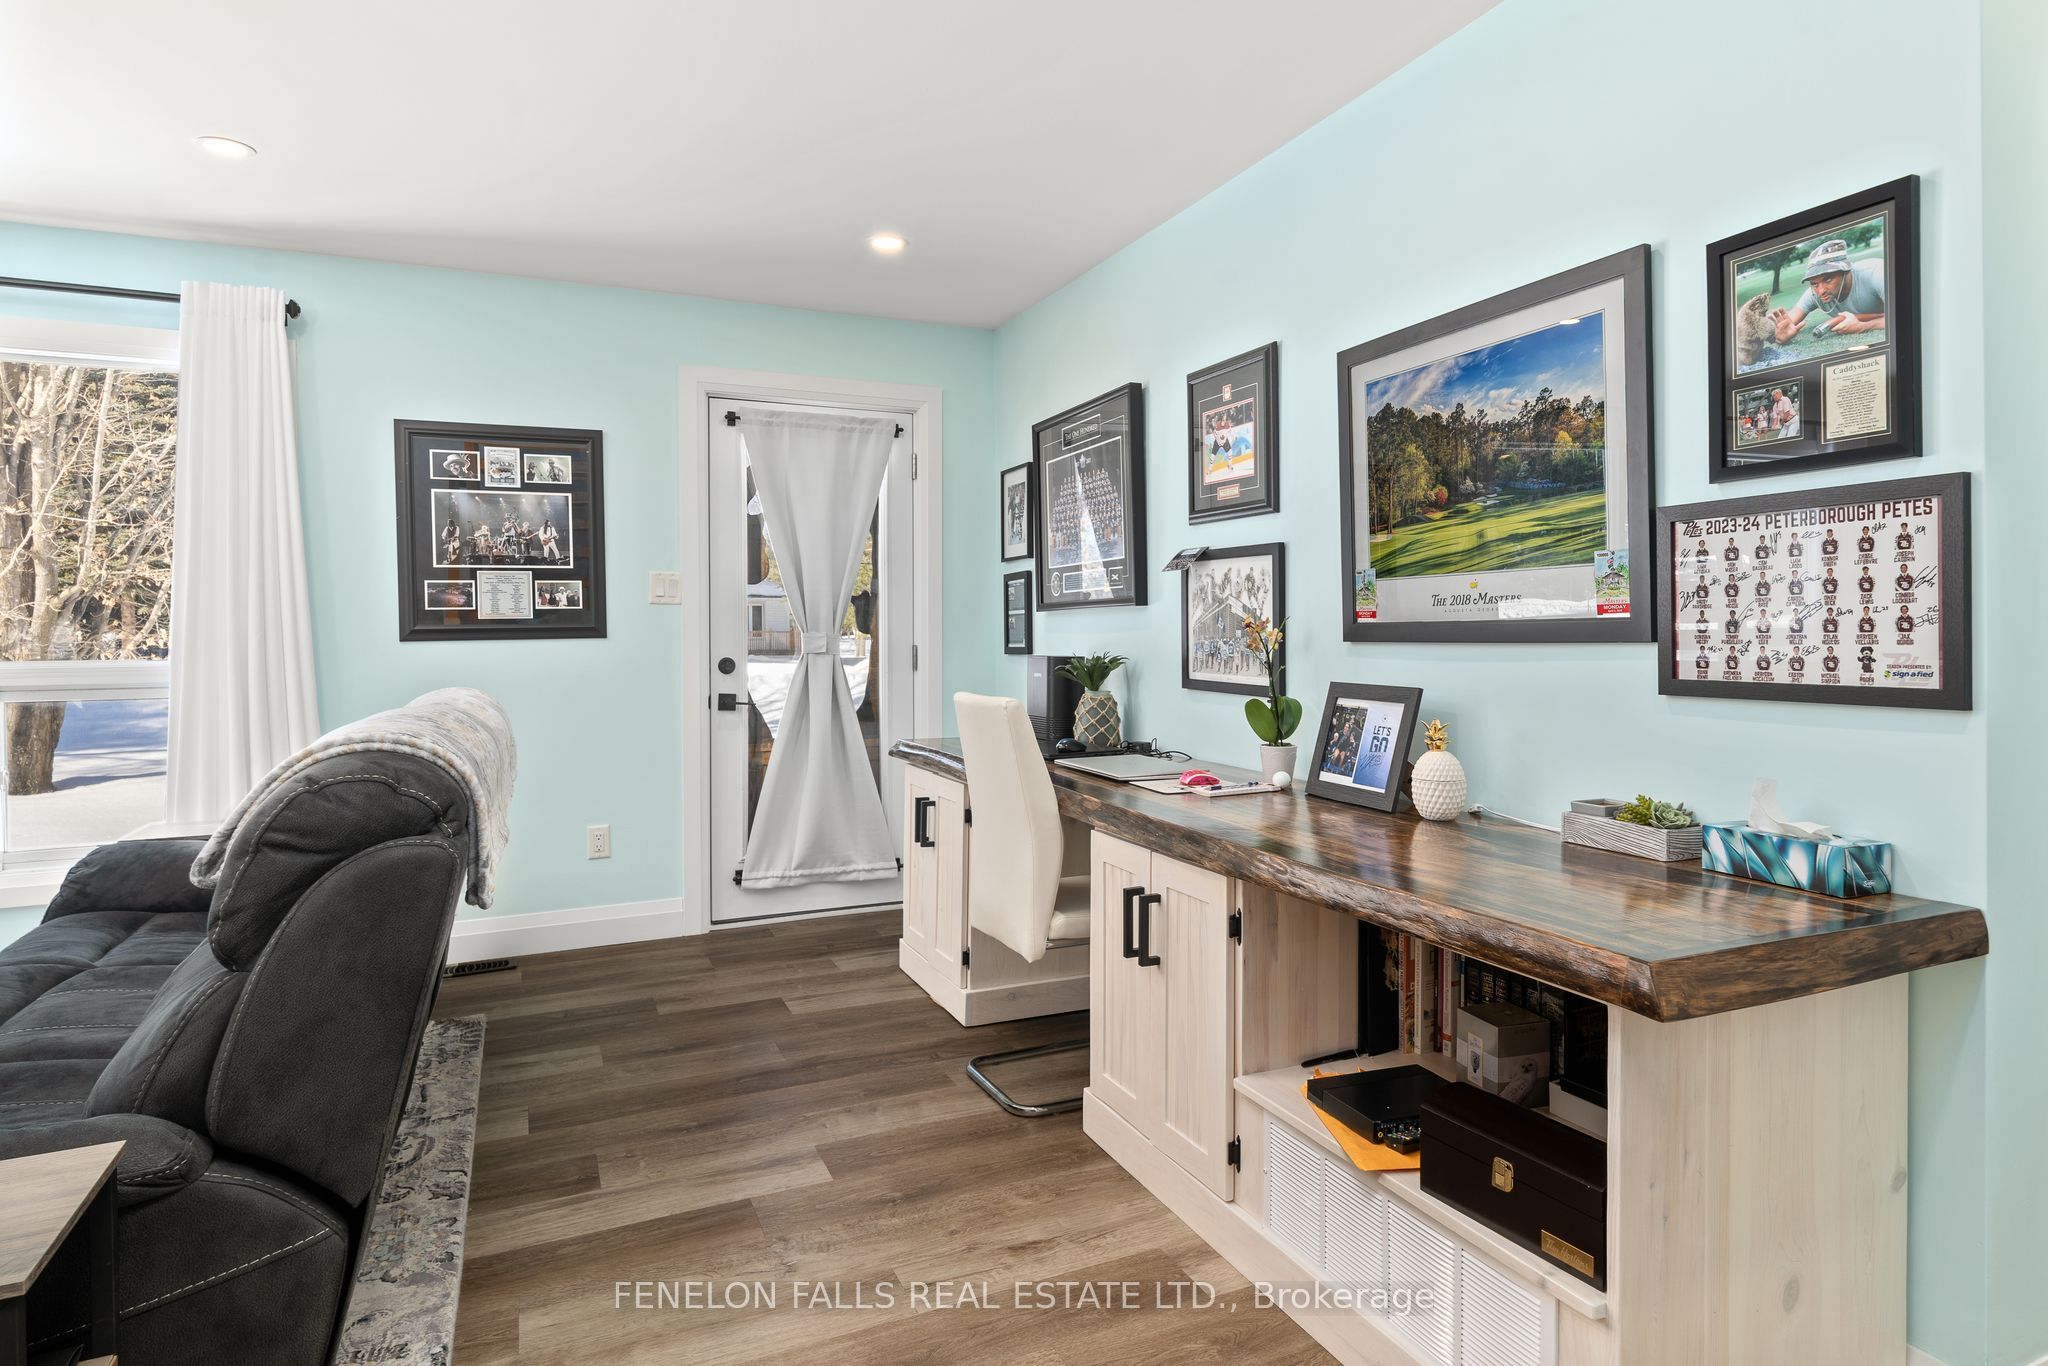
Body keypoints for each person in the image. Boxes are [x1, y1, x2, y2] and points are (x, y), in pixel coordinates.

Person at [1770, 239, 1886, 343]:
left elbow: (1896, 316)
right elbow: (1788, 322)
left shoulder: (1876, 274)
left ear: (1845, 270)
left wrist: (1864, 326)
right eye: (1814, 283)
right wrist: (1780, 334)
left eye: (1828, 279)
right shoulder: (1814, 293)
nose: (1821, 291)